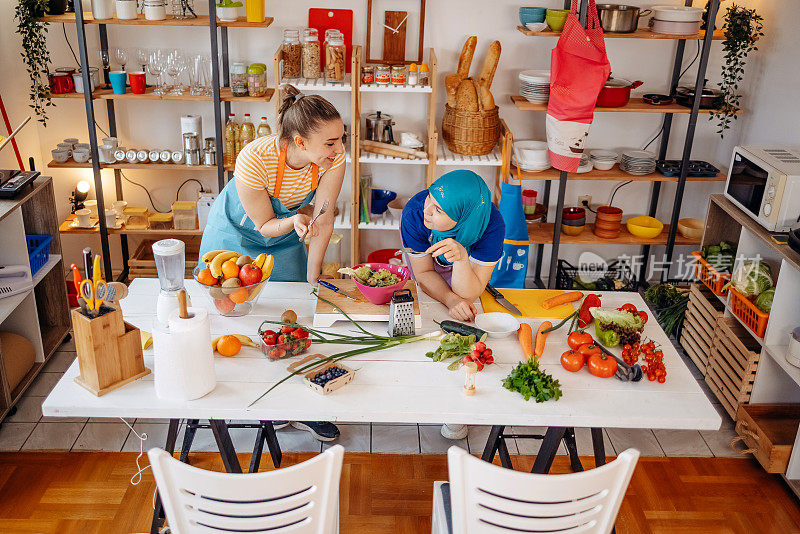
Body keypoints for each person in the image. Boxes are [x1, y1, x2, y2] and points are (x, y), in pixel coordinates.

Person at [199, 85, 346, 441]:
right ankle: (257, 404)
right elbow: (265, 225)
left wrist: (313, 282)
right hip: (236, 235)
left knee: (289, 322)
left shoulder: (333, 159)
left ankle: (299, 407)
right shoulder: (254, 158)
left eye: (342, 139)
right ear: (299, 142)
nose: (340, 149)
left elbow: (323, 218)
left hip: (288, 234)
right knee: (236, 317)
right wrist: (297, 220)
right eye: (330, 143)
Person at [400, 170, 505, 440]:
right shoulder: (415, 211)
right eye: (431, 197)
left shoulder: (491, 224)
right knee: (425, 338)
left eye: (438, 209)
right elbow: (423, 274)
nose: (428, 209)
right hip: (428, 279)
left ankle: (456, 410)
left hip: (467, 276)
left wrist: (460, 259)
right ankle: (417, 399)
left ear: (464, 220)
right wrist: (450, 299)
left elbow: (471, 291)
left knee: (460, 339)